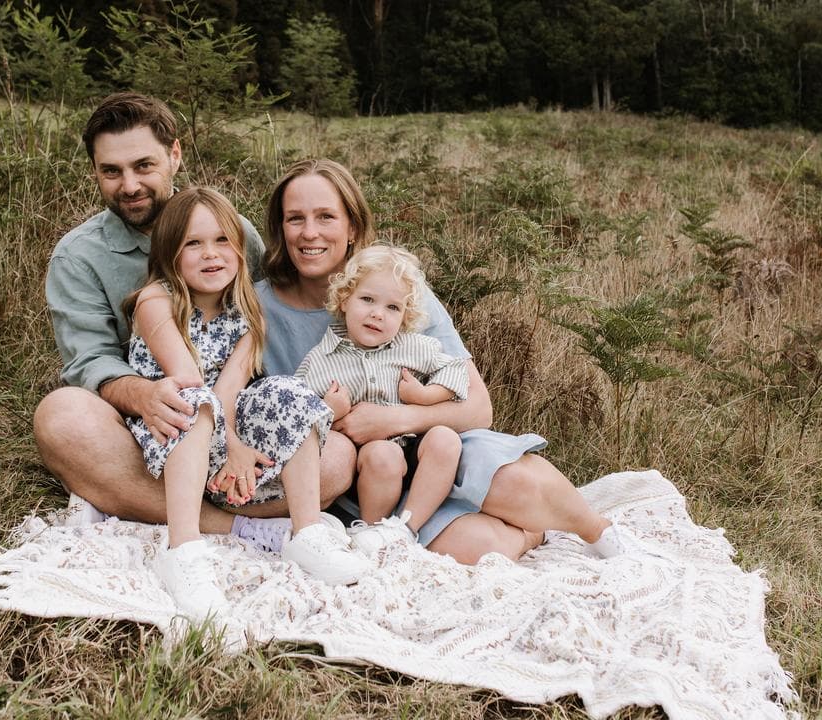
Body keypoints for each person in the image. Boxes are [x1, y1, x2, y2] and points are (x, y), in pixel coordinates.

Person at [257, 158, 644, 564]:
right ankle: (530, 530)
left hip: (432, 444)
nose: (310, 232)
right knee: (482, 547)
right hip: (365, 479)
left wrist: (395, 419)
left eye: (326, 217)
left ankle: (595, 529)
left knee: (515, 482)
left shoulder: (397, 287)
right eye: (295, 218)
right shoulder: (260, 307)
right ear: (281, 228)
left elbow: (478, 407)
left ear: (352, 226)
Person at [32, 93, 354, 555]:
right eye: (111, 171)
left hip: (234, 417)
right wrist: (145, 396)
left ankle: (137, 504)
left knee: (336, 459)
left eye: (144, 165)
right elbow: (90, 363)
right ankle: (233, 526)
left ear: (174, 155)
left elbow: (260, 310)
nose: (129, 185)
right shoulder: (77, 256)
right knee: (61, 416)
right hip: (145, 429)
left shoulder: (234, 229)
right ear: (95, 172)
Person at [121, 187, 369, 617]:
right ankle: (182, 551)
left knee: (289, 391)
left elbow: (229, 390)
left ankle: (307, 532)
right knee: (194, 401)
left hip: (221, 422)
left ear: (239, 249)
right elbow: (188, 380)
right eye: (193, 244)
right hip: (168, 427)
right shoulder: (156, 301)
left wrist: (234, 445)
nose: (210, 254)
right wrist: (232, 447)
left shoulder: (247, 312)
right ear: (169, 253)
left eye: (222, 241)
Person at [295, 245, 467, 556]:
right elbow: (296, 414)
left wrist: (426, 395)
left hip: (415, 448)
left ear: (404, 317)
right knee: (382, 454)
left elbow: (456, 369)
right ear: (345, 300)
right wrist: (330, 411)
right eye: (367, 300)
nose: (378, 314)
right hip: (367, 464)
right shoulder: (321, 359)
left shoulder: (414, 347)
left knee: (446, 438)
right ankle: (372, 533)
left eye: (393, 308)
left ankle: (405, 529)